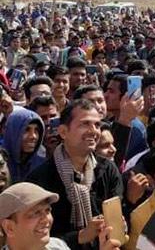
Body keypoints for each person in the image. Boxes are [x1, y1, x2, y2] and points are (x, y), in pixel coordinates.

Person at [27, 99, 124, 249]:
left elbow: (118, 215)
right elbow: (34, 237)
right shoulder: (40, 179)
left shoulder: (108, 169)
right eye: (85, 124)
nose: (93, 131)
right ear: (63, 132)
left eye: (97, 125)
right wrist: (81, 236)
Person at [0, 182, 121, 250]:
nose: (46, 219)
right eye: (35, 213)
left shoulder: (57, 246)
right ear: (9, 227)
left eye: (47, 210)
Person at [2, 107, 46, 182]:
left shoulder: (43, 163)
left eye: (36, 130)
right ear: (12, 132)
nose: (33, 136)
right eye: (26, 130)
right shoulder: (2, 163)